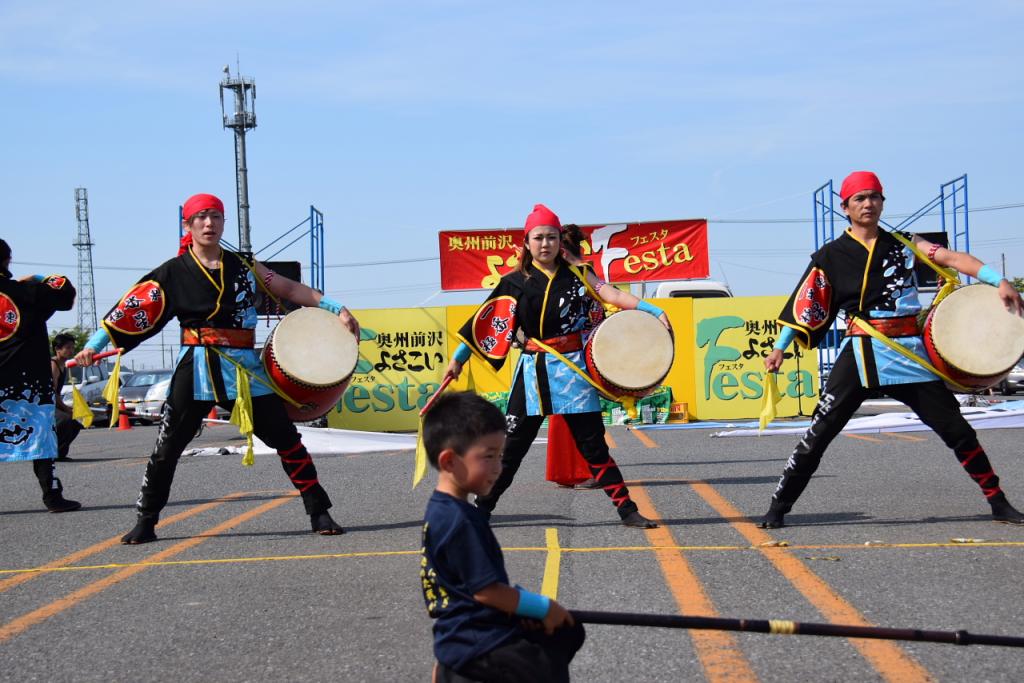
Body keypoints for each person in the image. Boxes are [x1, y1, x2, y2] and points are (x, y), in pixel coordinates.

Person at [74, 193, 360, 544]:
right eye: (201, 217)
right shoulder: (172, 273)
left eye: (215, 217)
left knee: (287, 440)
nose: (209, 223)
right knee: (168, 447)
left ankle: (319, 511)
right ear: (189, 225)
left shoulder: (244, 265)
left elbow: (287, 288)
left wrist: (337, 308)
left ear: (223, 223)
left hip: (244, 368)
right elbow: (130, 311)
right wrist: (93, 346)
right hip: (196, 367)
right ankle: (146, 520)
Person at [758, 171, 1024, 529]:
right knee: (819, 433)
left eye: (874, 197)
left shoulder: (904, 243)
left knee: (957, 430)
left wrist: (998, 280)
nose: (868, 204)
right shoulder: (831, 256)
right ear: (846, 207)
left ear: (883, 201)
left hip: (909, 353)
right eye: (860, 199)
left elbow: (954, 259)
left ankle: (999, 502)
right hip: (862, 351)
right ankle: (777, 508)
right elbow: (806, 305)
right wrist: (779, 349)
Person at [444, 204, 670, 529]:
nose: (545, 244)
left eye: (551, 237)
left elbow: (608, 293)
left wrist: (650, 308)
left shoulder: (577, 274)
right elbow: (485, 325)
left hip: (572, 371)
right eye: (538, 238)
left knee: (594, 446)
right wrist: (457, 361)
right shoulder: (513, 283)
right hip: (533, 371)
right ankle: (481, 510)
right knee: (511, 450)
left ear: (559, 241)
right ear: (526, 242)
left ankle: (627, 511)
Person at [420, 391, 586, 682]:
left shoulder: (441, 509)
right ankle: (453, 670)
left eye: (500, 455)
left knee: (568, 631)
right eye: (488, 456)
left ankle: (450, 667)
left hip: (463, 633)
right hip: (480, 639)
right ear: (449, 461)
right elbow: (487, 592)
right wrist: (542, 606)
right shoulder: (460, 521)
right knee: (545, 667)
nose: (498, 467)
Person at [0, 239, 81, 512]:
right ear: (8, 260)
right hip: (27, 385)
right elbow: (65, 293)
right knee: (41, 438)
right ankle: (52, 495)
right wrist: (38, 278)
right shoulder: (27, 292)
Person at [51, 332, 83, 461]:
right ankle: (49, 453)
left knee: (76, 424)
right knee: (65, 420)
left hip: (53, 402)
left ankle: (59, 453)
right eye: (68, 347)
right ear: (58, 349)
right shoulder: (53, 365)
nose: (71, 351)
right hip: (43, 404)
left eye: (72, 347)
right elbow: (52, 393)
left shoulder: (63, 365)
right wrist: (66, 409)